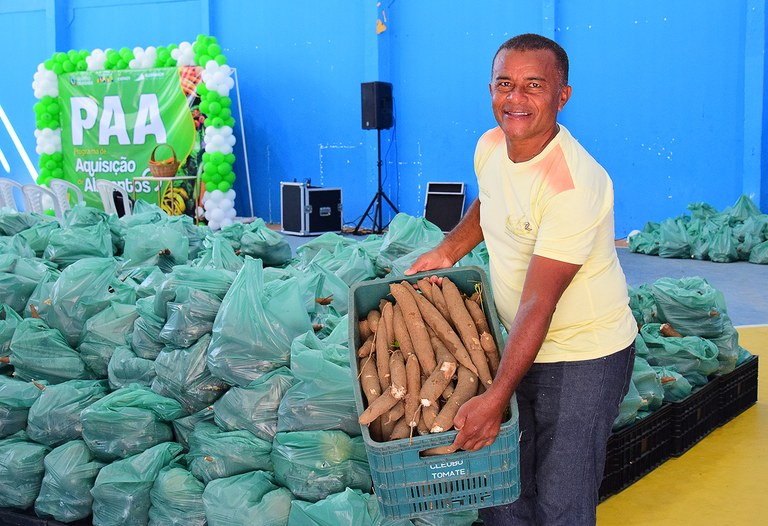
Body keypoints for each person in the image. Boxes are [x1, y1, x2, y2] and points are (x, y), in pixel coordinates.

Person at [405, 33, 637, 525]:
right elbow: (490, 200)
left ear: (562, 95)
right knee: (502, 491)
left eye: (534, 85)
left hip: (583, 356)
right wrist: (449, 247)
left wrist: (495, 396)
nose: (515, 98)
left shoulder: (573, 185)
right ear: (490, 88)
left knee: (561, 501)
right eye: (505, 83)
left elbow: (539, 305)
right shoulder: (491, 146)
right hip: (517, 343)